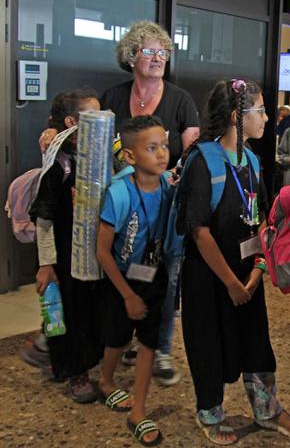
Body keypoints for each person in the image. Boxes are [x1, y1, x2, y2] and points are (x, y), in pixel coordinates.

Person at [175, 79, 290, 445]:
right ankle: (209, 411)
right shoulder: (203, 161)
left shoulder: (253, 161)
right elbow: (199, 231)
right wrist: (230, 281)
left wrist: (259, 265)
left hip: (247, 273)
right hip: (210, 279)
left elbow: (258, 215)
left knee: (256, 339)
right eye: (259, 110)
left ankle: (266, 407)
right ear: (235, 117)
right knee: (208, 343)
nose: (266, 117)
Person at [101, 20, 199, 383]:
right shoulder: (112, 97)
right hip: (122, 203)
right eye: (150, 51)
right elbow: (94, 140)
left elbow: (190, 153)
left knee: (167, 279)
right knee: (125, 272)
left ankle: (159, 349)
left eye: (163, 53)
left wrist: (173, 174)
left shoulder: (181, 100)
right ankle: (127, 339)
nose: (158, 58)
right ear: (131, 56)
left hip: (163, 204)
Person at [96, 115, 172, 446]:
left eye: (164, 146)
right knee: (117, 337)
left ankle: (138, 410)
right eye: (151, 148)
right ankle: (106, 381)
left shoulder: (169, 186)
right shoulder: (119, 194)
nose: (161, 154)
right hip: (121, 278)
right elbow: (102, 252)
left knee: (149, 342)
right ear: (129, 156)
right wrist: (127, 294)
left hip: (154, 275)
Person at [29, 88, 103, 403]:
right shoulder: (58, 165)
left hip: (89, 255)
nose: (102, 121)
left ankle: (67, 355)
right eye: (94, 114)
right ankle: (73, 372)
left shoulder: (93, 158)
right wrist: (46, 264)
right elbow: (43, 218)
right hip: (62, 258)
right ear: (73, 121)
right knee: (67, 314)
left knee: (87, 313)